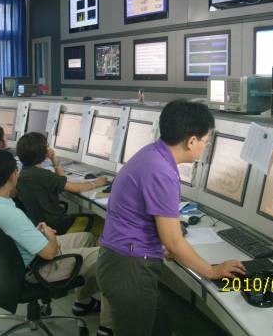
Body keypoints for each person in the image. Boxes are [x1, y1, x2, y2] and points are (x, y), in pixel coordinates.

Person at [97, 99, 245, 336]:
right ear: (191, 141)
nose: (205, 147)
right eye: (205, 142)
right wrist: (213, 271)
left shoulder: (153, 154)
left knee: (160, 325)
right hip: (129, 267)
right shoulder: (161, 171)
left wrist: (165, 246)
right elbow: (174, 242)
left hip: (121, 259)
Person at [0, 150, 113, 336]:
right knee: (110, 258)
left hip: (15, 261)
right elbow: (49, 253)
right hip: (38, 268)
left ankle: (83, 301)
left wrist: (34, 234)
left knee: (86, 237)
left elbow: (10, 232)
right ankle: (108, 327)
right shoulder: (11, 215)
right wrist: (50, 235)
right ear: (13, 175)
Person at [16, 132, 107, 233]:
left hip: (43, 225)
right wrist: (96, 183)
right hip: (57, 226)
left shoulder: (24, 173)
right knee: (102, 222)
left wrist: (54, 160)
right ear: (42, 152)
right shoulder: (42, 175)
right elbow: (76, 188)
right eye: (46, 146)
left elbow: (61, 180)